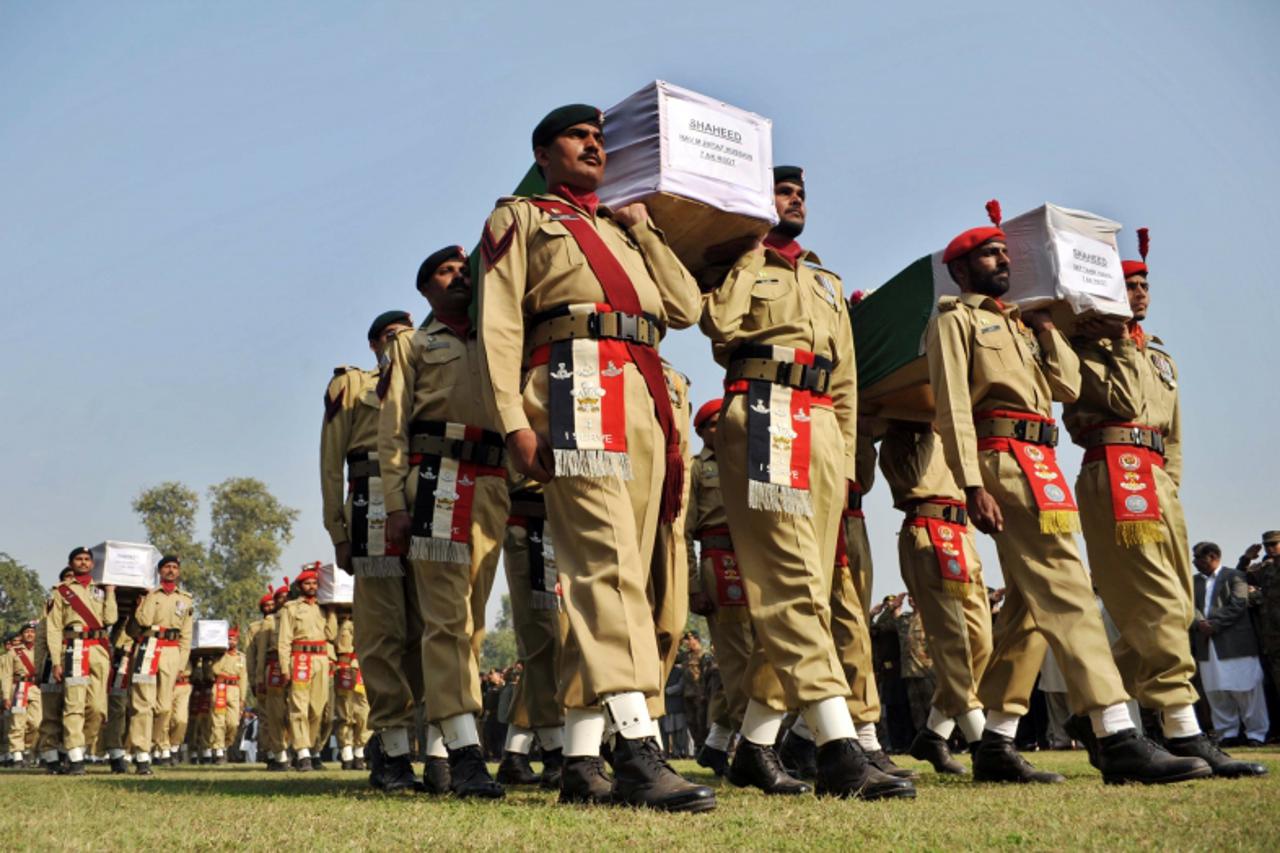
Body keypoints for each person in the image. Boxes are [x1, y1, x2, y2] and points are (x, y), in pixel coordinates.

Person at [477, 104, 712, 811]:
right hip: (573, 379)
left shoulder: (621, 226)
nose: (594, 146)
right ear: (543, 154)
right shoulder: (520, 217)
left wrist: (645, 227)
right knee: (605, 562)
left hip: (641, 385)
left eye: (600, 138)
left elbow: (683, 308)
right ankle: (639, 749)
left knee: (628, 574)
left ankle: (581, 761)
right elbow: (497, 322)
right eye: (578, 137)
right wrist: (513, 420)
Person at [925, 201, 1209, 785]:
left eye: (1006, 252)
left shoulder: (1021, 325)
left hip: (1042, 464)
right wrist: (971, 484)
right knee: (1071, 591)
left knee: (1033, 607)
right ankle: (1115, 731)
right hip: (1001, 461)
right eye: (989, 253)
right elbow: (953, 405)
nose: (1003, 260)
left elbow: (1069, 384)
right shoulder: (955, 319)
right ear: (959, 270)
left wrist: (1049, 331)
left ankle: (996, 742)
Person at [701, 165, 912, 800]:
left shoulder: (825, 280)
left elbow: (845, 382)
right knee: (792, 581)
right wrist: (745, 252)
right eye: (779, 192)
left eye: (799, 194)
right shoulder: (738, 264)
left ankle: (756, 744)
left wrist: (848, 468)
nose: (793, 200)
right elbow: (719, 329)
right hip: (764, 411)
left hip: (820, 426)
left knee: (811, 594)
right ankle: (838, 744)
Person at [1062, 232, 1262, 776]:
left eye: (1145, 282)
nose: (1141, 291)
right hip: (1114, 469)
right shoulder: (1081, 350)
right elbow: (1124, 402)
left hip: (1155, 480)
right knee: (1158, 605)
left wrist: (1170, 485)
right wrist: (1119, 342)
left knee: (1170, 604)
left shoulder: (1160, 355)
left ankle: (1096, 703)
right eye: (1128, 284)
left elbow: (1172, 434)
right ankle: (1183, 729)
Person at [380, 245, 509, 799]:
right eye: (445, 271)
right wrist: (394, 505)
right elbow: (392, 430)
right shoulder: (412, 346)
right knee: (445, 620)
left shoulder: (499, 333)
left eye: (464, 269)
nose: (459, 277)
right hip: (437, 479)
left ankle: (439, 750)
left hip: (492, 483)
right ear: (426, 289)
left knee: (474, 621)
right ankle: (465, 750)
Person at [878, 420, 992, 775]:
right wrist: (920, 421)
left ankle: (934, 732)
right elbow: (908, 476)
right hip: (929, 529)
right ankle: (984, 745)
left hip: (963, 532)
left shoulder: (955, 430)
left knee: (980, 645)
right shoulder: (905, 430)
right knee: (955, 645)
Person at [685, 399, 755, 778]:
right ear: (701, 432)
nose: (720, 429)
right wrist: (693, 586)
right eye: (711, 424)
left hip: (754, 561)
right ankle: (754, 746)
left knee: (760, 656)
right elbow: (684, 534)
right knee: (737, 657)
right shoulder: (697, 470)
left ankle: (715, 745)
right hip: (719, 560)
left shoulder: (748, 462)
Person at [496, 480, 565, 789]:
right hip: (533, 522)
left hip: (564, 520)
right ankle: (555, 752)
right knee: (545, 644)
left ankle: (516, 751)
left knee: (549, 648)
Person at [45, 547, 118, 775]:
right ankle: (76, 756)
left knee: (97, 708)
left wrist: (111, 592)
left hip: (99, 650)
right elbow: (54, 627)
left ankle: (76, 747)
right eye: (79, 559)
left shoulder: (101, 589)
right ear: (71, 563)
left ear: (93, 564)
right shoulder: (61, 592)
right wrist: (56, 661)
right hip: (74, 648)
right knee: (74, 704)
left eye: (87, 559)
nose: (84, 563)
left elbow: (110, 619)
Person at [1193, 542, 1270, 747]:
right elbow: (1188, 606)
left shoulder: (1235, 576)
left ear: (1213, 556)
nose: (1195, 563)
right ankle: (1227, 733)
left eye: (1198, 558)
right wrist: (1200, 622)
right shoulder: (1193, 582)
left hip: (1235, 642)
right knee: (1216, 691)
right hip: (1208, 645)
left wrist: (1215, 624)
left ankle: (1256, 733)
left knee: (1247, 689)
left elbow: (1239, 604)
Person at [126, 555, 194, 775]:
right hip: (148, 647)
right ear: (159, 571)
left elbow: (187, 634)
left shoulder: (185, 599)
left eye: (175, 567)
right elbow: (144, 621)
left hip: (172, 651)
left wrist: (182, 663)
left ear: (179, 572)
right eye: (167, 567)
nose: (171, 571)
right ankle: (141, 752)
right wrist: (145, 599)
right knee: (143, 703)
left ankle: (156, 743)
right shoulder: (150, 594)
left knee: (164, 707)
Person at [276, 567, 337, 770]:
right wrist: (285, 668)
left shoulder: (324, 607)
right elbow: (284, 640)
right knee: (298, 707)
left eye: (315, 583)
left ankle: (308, 747)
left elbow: (331, 634)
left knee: (317, 709)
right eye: (307, 583)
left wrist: (332, 611)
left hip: (320, 659)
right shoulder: (291, 608)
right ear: (301, 586)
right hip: (300, 658)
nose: (312, 586)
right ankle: (302, 752)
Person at [3, 622, 40, 767]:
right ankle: (17, 756)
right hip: (19, 688)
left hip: (36, 689)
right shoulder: (13, 652)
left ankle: (27, 748)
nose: (29, 634)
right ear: (22, 635)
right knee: (17, 723)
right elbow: (6, 675)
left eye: (32, 631)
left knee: (37, 724)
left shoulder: (41, 649)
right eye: (26, 632)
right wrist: (6, 696)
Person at [209, 627, 248, 764]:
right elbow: (214, 670)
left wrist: (243, 698)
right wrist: (221, 652)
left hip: (235, 690)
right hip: (220, 687)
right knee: (218, 720)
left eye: (233, 639)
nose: (231, 641)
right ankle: (219, 750)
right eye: (228, 638)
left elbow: (243, 678)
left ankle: (225, 744)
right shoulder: (218, 655)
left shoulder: (241, 657)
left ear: (237, 641)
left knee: (233, 723)